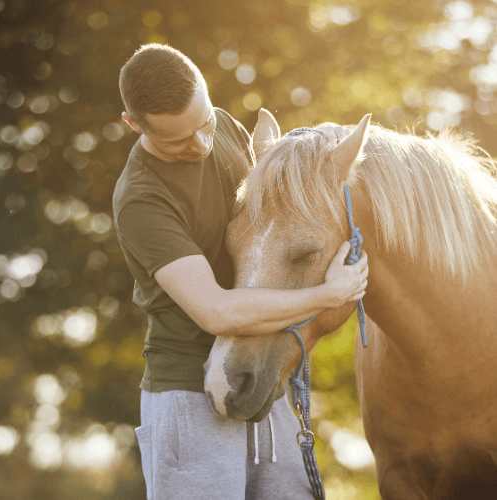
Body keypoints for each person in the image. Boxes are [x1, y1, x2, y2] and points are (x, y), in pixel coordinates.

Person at [113, 43, 368, 500]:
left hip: (261, 379)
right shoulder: (141, 198)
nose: (201, 144)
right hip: (189, 396)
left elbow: (275, 226)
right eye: (178, 140)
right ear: (134, 125)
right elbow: (216, 312)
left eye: (204, 122)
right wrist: (329, 295)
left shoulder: (226, 127)